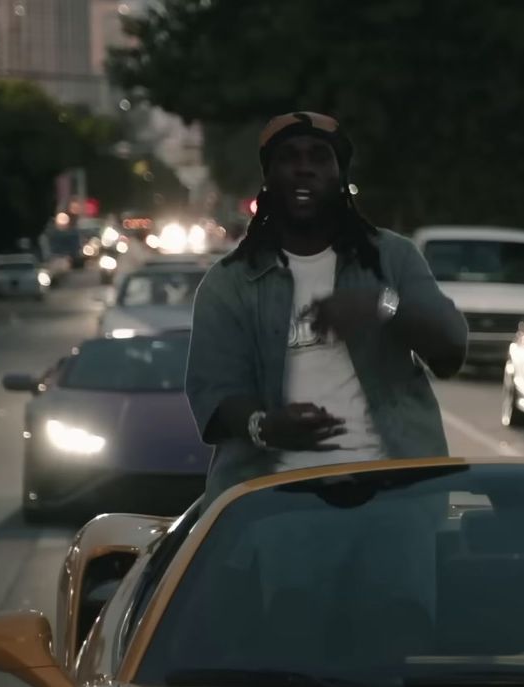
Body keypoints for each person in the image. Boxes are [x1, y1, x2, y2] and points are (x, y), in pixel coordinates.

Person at [186, 111, 467, 619]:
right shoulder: (229, 284)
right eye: (288, 159)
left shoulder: (393, 259)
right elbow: (213, 394)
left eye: (320, 158)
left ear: (341, 177)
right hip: (277, 502)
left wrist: (382, 308)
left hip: (394, 499)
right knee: (293, 659)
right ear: (268, 179)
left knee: (394, 657)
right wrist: (265, 426)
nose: (304, 169)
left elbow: (450, 349)